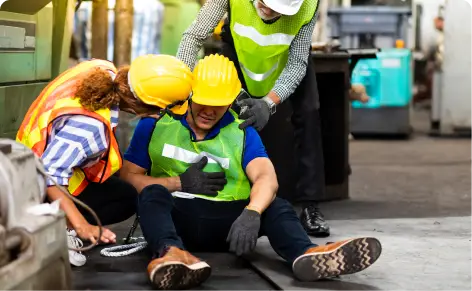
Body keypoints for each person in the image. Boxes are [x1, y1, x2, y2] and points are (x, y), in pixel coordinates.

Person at [120, 54, 382, 290]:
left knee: (277, 206)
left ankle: (308, 254)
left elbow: (266, 177)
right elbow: (128, 178)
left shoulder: (241, 130)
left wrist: (252, 213)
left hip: (231, 226)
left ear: (231, 101)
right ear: (190, 95)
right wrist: (178, 182)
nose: (210, 111)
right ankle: (171, 255)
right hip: (179, 219)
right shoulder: (153, 125)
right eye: (203, 102)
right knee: (152, 193)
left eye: (219, 104)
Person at [16, 54, 193, 267]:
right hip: (31, 186)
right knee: (124, 199)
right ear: (145, 106)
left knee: (124, 192)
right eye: (163, 110)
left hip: (28, 157)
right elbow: (49, 174)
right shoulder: (90, 127)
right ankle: (63, 229)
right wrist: (82, 225)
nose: (162, 115)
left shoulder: (102, 70)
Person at [176, 0, 330, 237]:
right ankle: (229, 195)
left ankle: (311, 206)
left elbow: (298, 62)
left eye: (277, 8)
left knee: (309, 115)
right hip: (239, 52)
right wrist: (182, 87)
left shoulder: (309, 4)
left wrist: (269, 103)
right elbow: (193, 36)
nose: (267, 11)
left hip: (287, 59)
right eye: (263, 3)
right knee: (227, 118)